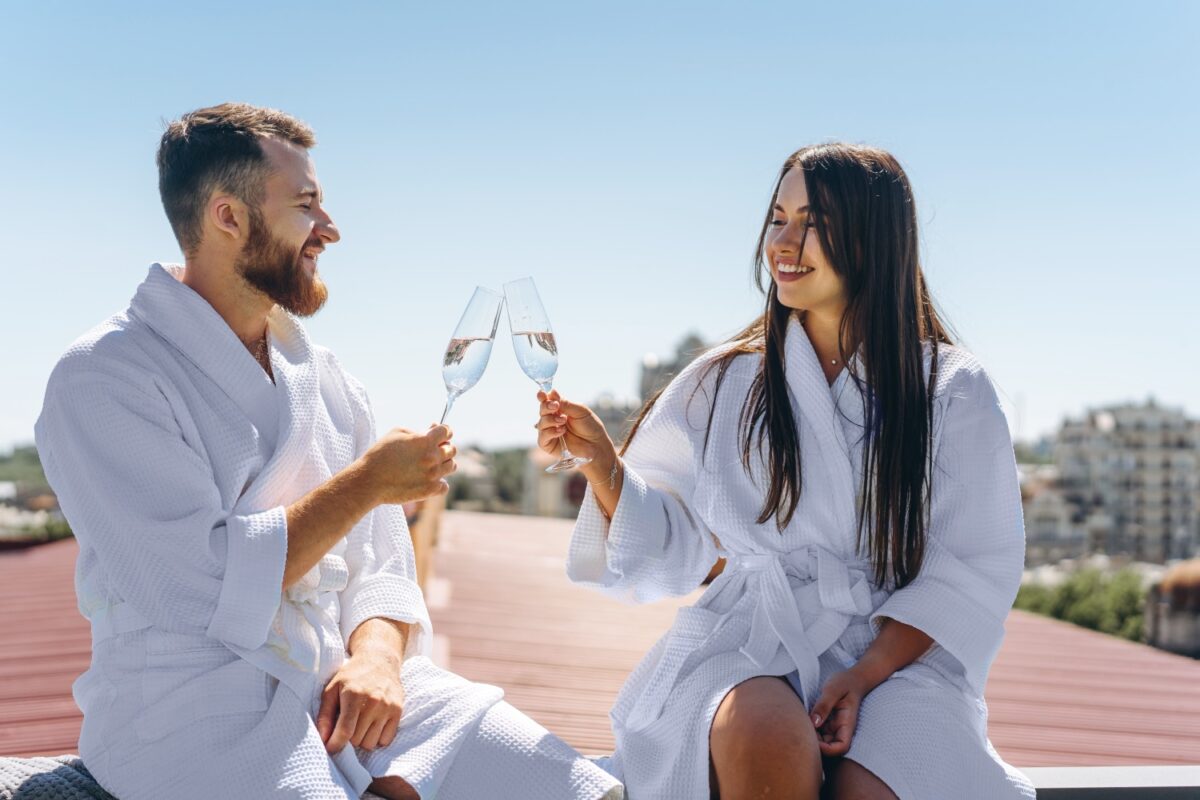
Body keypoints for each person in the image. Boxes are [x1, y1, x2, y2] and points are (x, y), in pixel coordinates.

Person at [35, 103, 621, 800]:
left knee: (571, 786)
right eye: (307, 204)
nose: (331, 229)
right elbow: (198, 589)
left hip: (342, 682)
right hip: (194, 710)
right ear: (228, 217)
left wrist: (377, 659)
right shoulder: (105, 376)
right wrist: (369, 482)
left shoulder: (328, 378)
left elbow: (383, 567)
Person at [535, 143, 1037, 799]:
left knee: (882, 783)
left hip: (895, 653)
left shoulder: (950, 388)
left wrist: (862, 676)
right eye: (778, 217)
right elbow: (681, 543)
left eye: (815, 222)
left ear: (875, 238)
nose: (786, 241)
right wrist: (604, 465)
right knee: (763, 733)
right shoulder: (726, 381)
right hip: (751, 633)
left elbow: (970, 567)